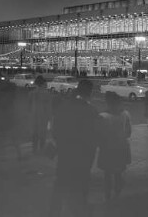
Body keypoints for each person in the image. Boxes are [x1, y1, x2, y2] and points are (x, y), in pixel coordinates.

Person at [48, 79, 100, 217]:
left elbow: (55, 131)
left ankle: (55, 212)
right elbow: (95, 137)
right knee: (81, 190)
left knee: (60, 187)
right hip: (83, 159)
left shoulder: (64, 107)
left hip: (65, 155)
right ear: (89, 92)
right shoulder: (91, 111)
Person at [98, 92, 132, 202]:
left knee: (107, 173)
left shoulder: (103, 116)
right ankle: (117, 192)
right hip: (121, 147)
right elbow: (129, 133)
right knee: (118, 172)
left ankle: (107, 195)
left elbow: (99, 134)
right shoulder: (125, 114)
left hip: (107, 147)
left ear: (107, 102)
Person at [29, 75, 52, 153]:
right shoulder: (46, 93)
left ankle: (34, 149)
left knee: (35, 132)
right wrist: (49, 117)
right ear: (43, 83)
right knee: (43, 133)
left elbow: (29, 105)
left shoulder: (32, 93)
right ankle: (41, 149)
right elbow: (48, 107)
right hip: (43, 116)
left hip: (33, 115)